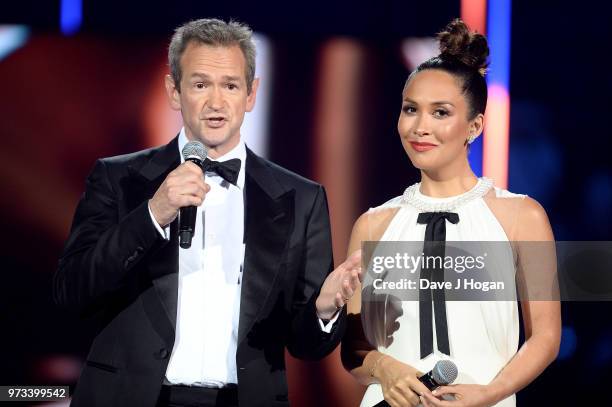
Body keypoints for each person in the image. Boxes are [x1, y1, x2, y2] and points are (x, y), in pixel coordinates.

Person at [53, 18, 362, 407]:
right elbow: (72, 292)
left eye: (230, 86)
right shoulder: (119, 179)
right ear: (174, 90)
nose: (216, 103)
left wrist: (323, 309)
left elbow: (306, 346)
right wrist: (152, 214)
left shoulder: (301, 197)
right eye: (200, 85)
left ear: (251, 94)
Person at [340, 19, 561, 407]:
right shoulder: (374, 223)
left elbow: (545, 336)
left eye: (440, 113)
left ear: (474, 126)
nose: (421, 126)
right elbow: (354, 347)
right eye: (411, 109)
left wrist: (490, 393)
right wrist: (383, 367)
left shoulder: (521, 216)